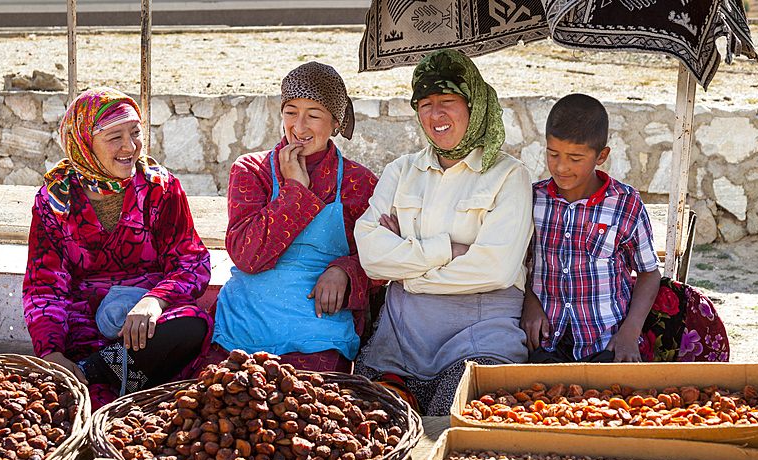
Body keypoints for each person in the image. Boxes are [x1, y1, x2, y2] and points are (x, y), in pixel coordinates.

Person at [352, 49, 534, 416]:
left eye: (447, 101)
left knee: (452, 426)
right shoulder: (401, 171)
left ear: (474, 105)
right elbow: (371, 257)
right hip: (400, 343)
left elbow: (494, 269)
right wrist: (448, 249)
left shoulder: (509, 176)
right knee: (370, 424)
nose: (435, 115)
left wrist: (408, 272)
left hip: (481, 339)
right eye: (425, 103)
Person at [23, 88, 212, 408]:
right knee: (90, 408)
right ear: (84, 144)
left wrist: (154, 300)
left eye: (136, 133)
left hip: (146, 327)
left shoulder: (159, 189)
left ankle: (97, 372)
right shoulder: (54, 202)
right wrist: (51, 351)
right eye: (115, 137)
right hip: (83, 326)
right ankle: (110, 374)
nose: (130, 146)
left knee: (192, 324)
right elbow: (44, 285)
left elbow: (192, 260)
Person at [522, 93, 728, 364]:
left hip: (606, 342)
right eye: (553, 154)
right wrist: (529, 300)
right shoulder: (532, 199)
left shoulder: (625, 203)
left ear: (601, 156)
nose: (561, 166)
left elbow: (648, 273)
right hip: (546, 341)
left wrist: (630, 332)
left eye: (575, 158)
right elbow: (516, 264)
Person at [207, 62, 380, 372]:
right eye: (290, 112)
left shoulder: (360, 183)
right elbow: (247, 256)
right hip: (245, 324)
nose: (299, 128)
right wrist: (296, 192)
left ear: (336, 123)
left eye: (313, 115)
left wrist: (346, 269)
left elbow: (382, 261)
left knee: (311, 413)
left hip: (319, 331)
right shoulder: (251, 170)